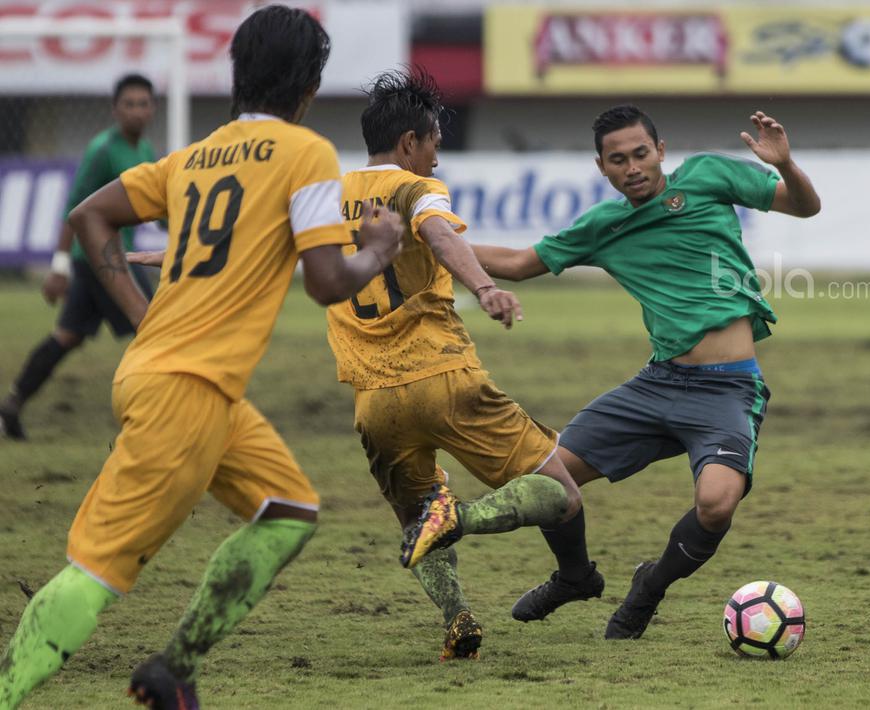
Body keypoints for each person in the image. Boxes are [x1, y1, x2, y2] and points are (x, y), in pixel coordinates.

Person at [0, 6, 403, 709]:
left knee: (288, 510)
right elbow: (326, 283)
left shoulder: (192, 158)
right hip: (184, 393)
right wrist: (379, 247)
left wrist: (139, 314)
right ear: (308, 86)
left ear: (237, 75)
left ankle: (173, 669)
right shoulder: (305, 153)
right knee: (95, 571)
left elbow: (88, 216)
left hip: (186, 382)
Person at [132, 68, 582, 661]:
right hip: (444, 378)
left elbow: (245, 244)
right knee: (562, 494)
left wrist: (165, 255)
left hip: (375, 403)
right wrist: (483, 286)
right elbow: (441, 235)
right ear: (408, 144)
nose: (436, 162)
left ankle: (458, 620)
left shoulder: (322, 196)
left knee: (415, 516)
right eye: (434, 148)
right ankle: (464, 518)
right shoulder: (413, 188)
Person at [416, 104, 820, 640]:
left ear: (660, 151)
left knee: (717, 504)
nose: (632, 167)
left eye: (640, 154)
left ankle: (648, 589)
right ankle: (575, 576)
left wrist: (787, 165)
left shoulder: (708, 175)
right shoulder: (603, 227)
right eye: (618, 160)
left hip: (728, 388)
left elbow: (805, 207)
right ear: (601, 167)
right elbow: (516, 263)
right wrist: (425, 240)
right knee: (545, 479)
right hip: (657, 386)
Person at [0, 74, 157, 441]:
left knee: (67, 336)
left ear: (153, 109)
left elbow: (152, 206)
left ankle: (11, 404)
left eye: (144, 103)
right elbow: (76, 209)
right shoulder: (102, 149)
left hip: (112, 259)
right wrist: (58, 267)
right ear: (115, 109)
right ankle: (156, 418)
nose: (137, 111)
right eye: (129, 104)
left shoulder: (145, 150)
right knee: (155, 328)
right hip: (102, 262)